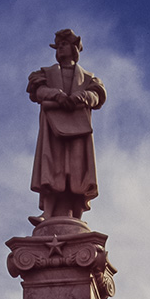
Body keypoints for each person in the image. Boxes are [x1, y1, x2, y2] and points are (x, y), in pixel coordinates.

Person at [27, 28, 106, 224]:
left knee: (78, 171)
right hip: (54, 128)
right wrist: (57, 95)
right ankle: (48, 213)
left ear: (73, 49)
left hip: (79, 128)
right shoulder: (45, 73)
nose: (60, 49)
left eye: (64, 45)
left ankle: (77, 218)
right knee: (53, 167)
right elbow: (38, 90)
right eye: (58, 46)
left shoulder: (88, 78)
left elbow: (97, 95)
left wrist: (83, 96)